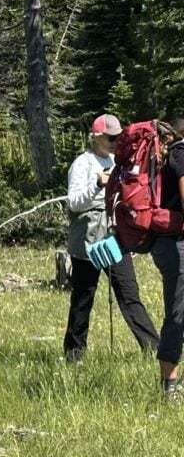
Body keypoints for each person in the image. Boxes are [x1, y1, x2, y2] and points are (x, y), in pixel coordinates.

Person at [63, 114, 159, 361]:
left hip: (114, 236)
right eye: (111, 138)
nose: (116, 142)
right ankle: (74, 356)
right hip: (87, 238)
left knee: (129, 293)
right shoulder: (82, 163)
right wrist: (97, 184)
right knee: (84, 297)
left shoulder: (119, 161)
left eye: (119, 137)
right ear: (96, 137)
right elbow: (73, 203)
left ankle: (154, 349)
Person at [150, 119, 184, 396]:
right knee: (177, 313)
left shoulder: (172, 152)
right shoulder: (181, 153)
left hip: (169, 243)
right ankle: (168, 389)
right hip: (176, 245)